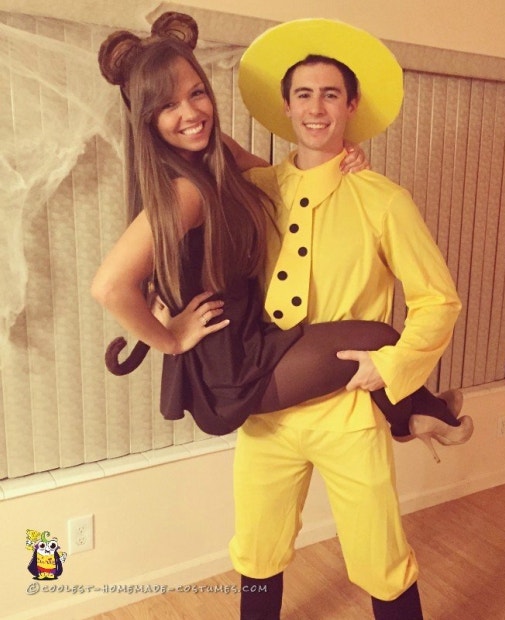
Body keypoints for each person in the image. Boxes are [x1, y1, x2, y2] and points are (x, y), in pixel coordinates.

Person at [93, 13, 472, 453]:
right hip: (231, 369)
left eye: (196, 93)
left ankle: (416, 415)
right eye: (168, 106)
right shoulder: (185, 192)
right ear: (147, 119)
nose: (191, 113)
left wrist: (341, 155)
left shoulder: (216, 153)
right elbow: (108, 287)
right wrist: (172, 340)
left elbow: (279, 180)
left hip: (254, 337)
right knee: (379, 338)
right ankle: (421, 413)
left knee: (375, 341)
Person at [230, 18, 464, 619]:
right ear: (285, 105)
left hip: (350, 411)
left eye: (330, 94)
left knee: (381, 556)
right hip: (266, 411)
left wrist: (393, 365)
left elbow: (438, 299)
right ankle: (431, 415)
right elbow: (199, 154)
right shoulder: (256, 190)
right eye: (304, 94)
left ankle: (420, 409)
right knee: (256, 551)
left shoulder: (384, 199)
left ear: (351, 106)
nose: (316, 108)